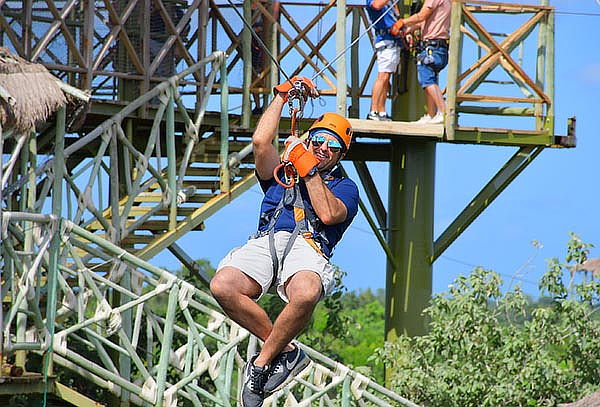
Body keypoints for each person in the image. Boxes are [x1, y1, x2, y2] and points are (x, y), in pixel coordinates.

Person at [209, 76, 359, 407]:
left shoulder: (345, 188)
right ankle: (286, 352)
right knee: (223, 285)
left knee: (305, 293)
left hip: (308, 246)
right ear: (310, 138)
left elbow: (329, 214)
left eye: (332, 147)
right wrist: (282, 95)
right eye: (319, 141)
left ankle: (261, 364)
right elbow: (261, 142)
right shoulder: (282, 175)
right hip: (269, 239)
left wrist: (308, 168)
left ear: (340, 155)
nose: (323, 149)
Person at [391, 0, 451, 124]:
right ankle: (431, 114)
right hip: (438, 47)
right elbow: (425, 21)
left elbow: (421, 16)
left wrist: (403, 22)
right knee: (429, 79)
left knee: (427, 79)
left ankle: (443, 111)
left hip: (432, 47)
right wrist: (407, 30)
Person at [365, 0, 403, 121]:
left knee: (386, 78)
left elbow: (396, 15)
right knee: (382, 76)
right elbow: (376, 5)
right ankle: (374, 110)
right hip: (385, 40)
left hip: (393, 40)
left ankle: (381, 111)